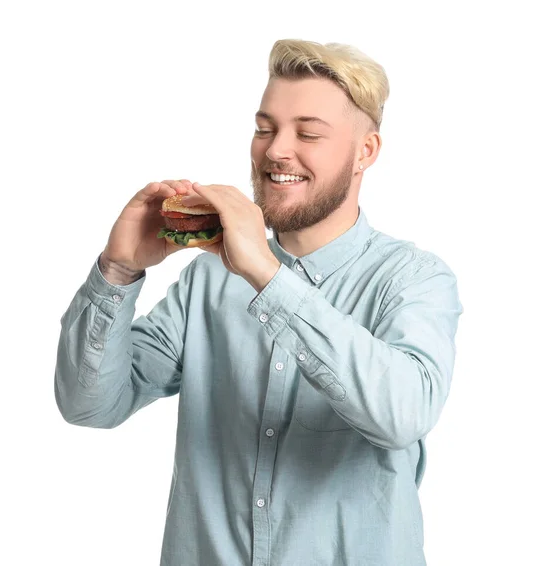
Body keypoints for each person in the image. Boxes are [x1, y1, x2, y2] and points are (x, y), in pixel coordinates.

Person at [55, 38, 463, 566]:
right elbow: (88, 405)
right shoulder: (206, 282)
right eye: (264, 128)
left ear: (366, 152)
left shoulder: (415, 280)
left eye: (308, 133)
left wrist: (266, 275)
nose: (274, 151)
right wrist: (118, 269)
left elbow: (401, 414)